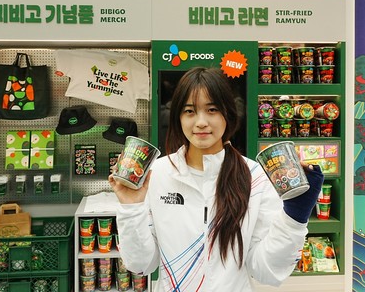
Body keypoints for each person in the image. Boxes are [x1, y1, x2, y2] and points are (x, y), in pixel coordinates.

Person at [108, 66, 324, 291]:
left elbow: (266, 270)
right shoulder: (157, 174)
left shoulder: (255, 177)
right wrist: (131, 208)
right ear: (178, 117)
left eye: (212, 110)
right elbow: (141, 264)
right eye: (190, 111)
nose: (201, 122)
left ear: (227, 114)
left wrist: (294, 218)